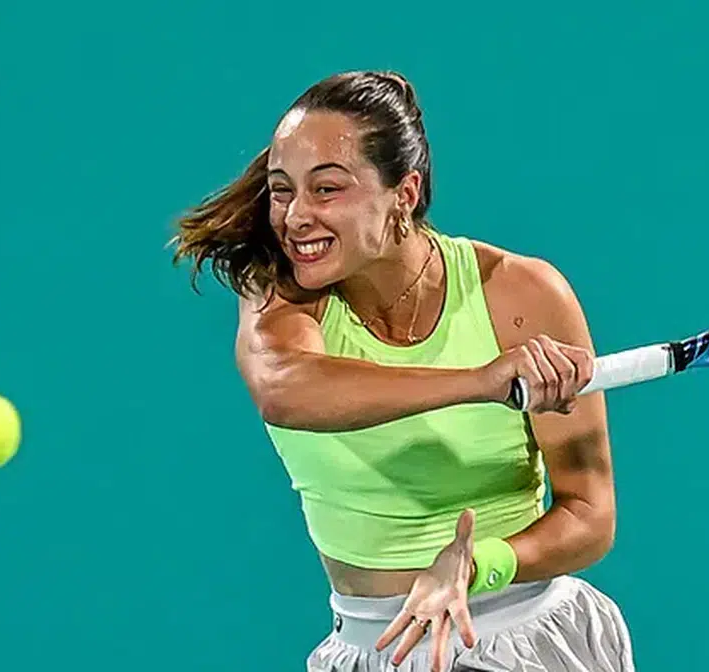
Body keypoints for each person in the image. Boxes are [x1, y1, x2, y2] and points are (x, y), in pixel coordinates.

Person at [170, 70, 635, 672]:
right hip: (369, 650)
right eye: (282, 191)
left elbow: (589, 515)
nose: (295, 216)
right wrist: (483, 382)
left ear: (404, 193)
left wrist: (477, 565)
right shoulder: (277, 293)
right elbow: (285, 389)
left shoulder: (521, 295)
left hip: (523, 640)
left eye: (327, 189)